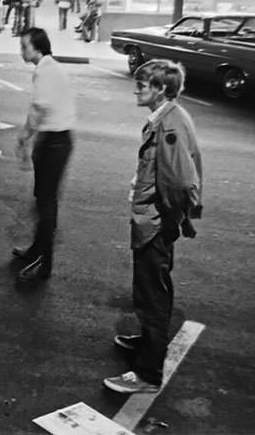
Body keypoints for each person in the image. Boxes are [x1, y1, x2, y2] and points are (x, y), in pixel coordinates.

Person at [104, 60, 203, 394]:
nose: (136, 88)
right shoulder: (170, 117)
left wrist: (172, 220)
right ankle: (148, 343)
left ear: (161, 89)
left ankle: (147, 374)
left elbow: (180, 183)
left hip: (154, 224)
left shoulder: (169, 127)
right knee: (153, 289)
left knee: (151, 297)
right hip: (155, 221)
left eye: (142, 84)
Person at [13, 28, 76, 282]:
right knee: (43, 198)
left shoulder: (45, 72)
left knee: (46, 203)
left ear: (38, 48)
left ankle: (44, 263)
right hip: (56, 139)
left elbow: (38, 107)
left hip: (53, 142)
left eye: (25, 46)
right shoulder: (52, 68)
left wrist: (24, 137)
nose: (22, 51)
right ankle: (37, 250)